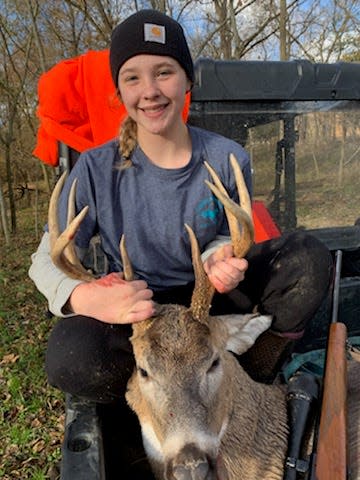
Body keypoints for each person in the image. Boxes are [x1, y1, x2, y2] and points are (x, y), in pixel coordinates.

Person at [29, 9, 332, 403]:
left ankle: (253, 370)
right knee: (72, 359)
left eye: (164, 72)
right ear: (119, 93)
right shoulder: (95, 168)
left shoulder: (227, 158)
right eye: (132, 77)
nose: (150, 90)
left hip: (207, 299)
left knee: (308, 260)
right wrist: (84, 297)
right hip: (139, 308)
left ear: (187, 79)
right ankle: (153, 399)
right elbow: (44, 258)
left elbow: (227, 231)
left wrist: (218, 257)